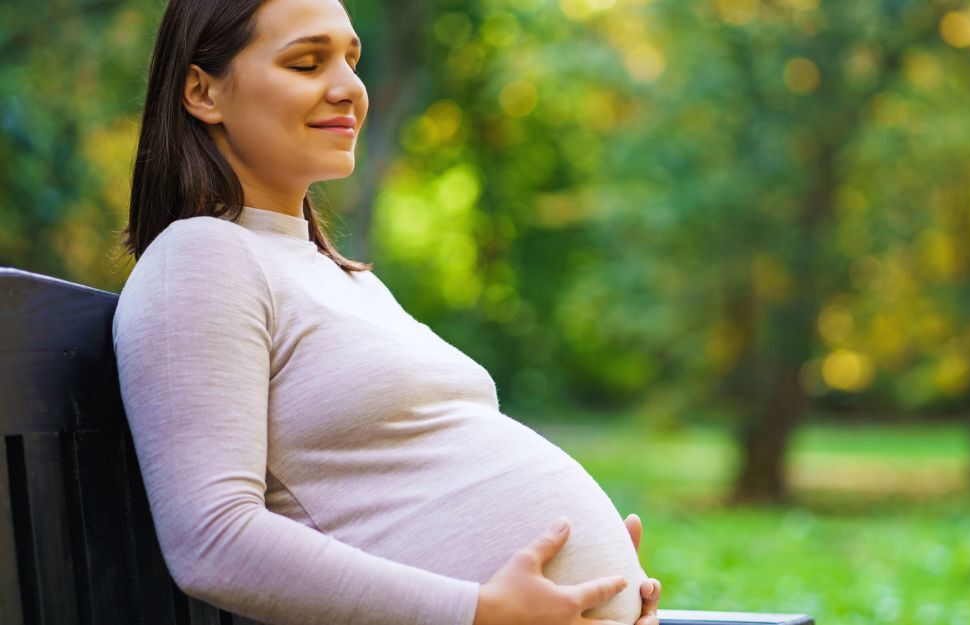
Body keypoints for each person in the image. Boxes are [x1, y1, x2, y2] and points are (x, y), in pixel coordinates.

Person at [111, 0, 663, 623]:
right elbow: (213, 541)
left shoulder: (340, 277)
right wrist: (477, 611)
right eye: (306, 62)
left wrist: (602, 579)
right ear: (202, 92)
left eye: (351, 59)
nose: (349, 88)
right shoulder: (202, 257)